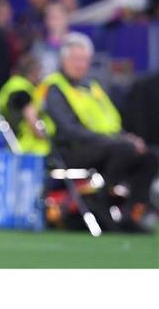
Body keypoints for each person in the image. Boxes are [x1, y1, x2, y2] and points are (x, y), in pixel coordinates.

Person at [36, 32, 158, 232]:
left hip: (105, 146)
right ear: (63, 59)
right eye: (75, 59)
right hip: (70, 150)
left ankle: (130, 212)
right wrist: (113, 141)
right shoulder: (54, 87)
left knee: (149, 157)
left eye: (84, 60)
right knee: (123, 150)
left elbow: (112, 123)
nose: (80, 64)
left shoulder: (93, 88)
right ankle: (100, 201)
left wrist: (128, 139)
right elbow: (69, 130)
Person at [0, 54, 51, 156]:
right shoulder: (22, 89)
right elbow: (31, 117)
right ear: (35, 71)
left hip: (14, 146)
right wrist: (44, 136)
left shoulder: (12, 85)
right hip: (28, 149)